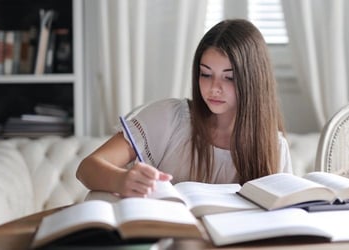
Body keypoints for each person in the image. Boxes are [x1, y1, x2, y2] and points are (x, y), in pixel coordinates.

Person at [76, 19, 292, 198]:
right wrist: (121, 180)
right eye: (205, 74)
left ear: (253, 81)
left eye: (229, 78)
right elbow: (87, 168)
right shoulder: (170, 118)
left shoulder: (273, 147)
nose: (214, 88)